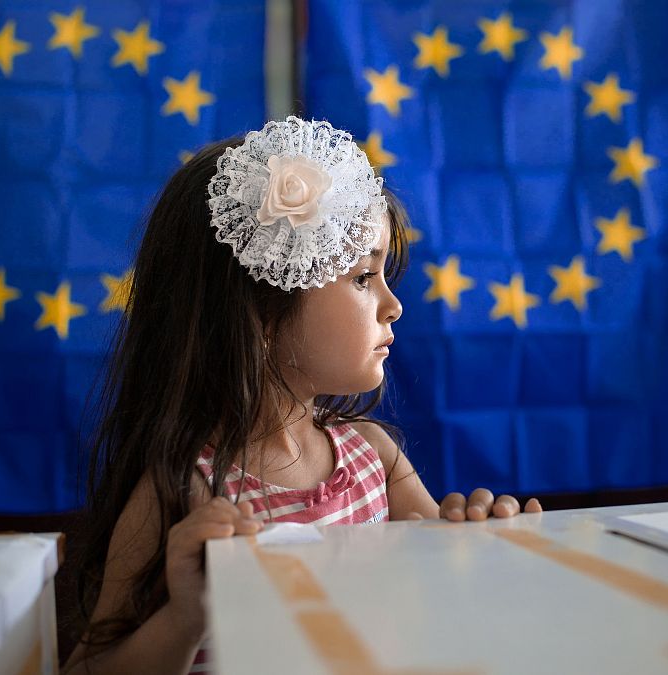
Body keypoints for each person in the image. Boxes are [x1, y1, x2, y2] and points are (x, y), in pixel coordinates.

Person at [62, 117, 541, 675]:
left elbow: (446, 607)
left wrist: (484, 549)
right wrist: (187, 615)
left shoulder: (375, 459)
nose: (394, 305)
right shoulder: (181, 487)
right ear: (263, 312)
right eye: (363, 278)